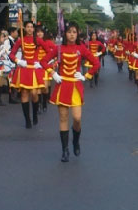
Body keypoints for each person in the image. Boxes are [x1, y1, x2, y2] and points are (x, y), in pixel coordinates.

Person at [40, 23, 100, 162]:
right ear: (65, 33)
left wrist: (86, 76)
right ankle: (65, 149)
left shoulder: (81, 48)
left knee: (77, 119)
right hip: (62, 85)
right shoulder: (59, 48)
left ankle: (75, 141)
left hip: (75, 86)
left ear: (77, 34)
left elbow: (95, 63)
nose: (72, 34)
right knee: (63, 118)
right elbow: (43, 61)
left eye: (74, 32)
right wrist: (53, 73)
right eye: (69, 32)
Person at [9, 21, 51, 128]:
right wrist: (19, 61)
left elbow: (50, 53)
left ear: (33, 29)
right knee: (24, 94)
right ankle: (27, 120)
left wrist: (42, 63)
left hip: (34, 70)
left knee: (34, 94)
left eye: (31, 27)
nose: (29, 29)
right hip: (23, 69)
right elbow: (11, 54)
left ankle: (35, 114)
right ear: (25, 28)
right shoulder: (20, 41)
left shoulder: (38, 40)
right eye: (27, 27)